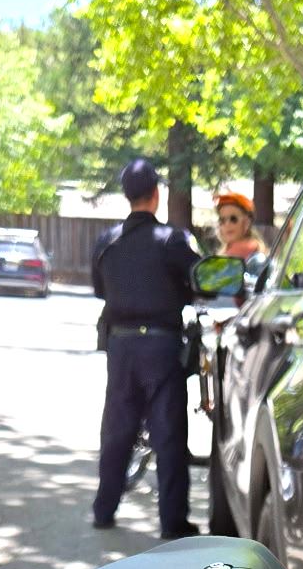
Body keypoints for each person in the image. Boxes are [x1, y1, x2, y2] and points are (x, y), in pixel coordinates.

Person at [91, 158, 201, 538]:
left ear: (128, 195)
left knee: (117, 430)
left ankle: (104, 510)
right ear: (156, 194)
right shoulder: (172, 241)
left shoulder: (107, 242)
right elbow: (199, 281)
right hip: (161, 346)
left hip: (120, 347)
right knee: (168, 434)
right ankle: (172, 522)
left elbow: (99, 290)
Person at [214, 191, 265, 260]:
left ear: (247, 223)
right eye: (222, 220)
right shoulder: (229, 247)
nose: (227, 224)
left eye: (233, 219)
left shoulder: (245, 247)